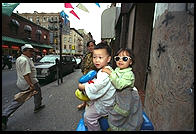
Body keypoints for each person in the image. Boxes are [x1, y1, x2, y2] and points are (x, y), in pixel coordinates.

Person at [2, 44, 45, 130]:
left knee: (35, 95)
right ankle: (4, 115)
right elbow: (26, 74)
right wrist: (30, 85)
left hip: (24, 82)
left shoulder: (21, 58)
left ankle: (37, 106)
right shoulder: (24, 60)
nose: (32, 52)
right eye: (30, 51)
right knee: (20, 100)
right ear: (24, 51)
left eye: (32, 51)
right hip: (29, 83)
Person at [102, 48, 143, 131]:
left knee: (120, 117)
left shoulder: (129, 74)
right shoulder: (117, 70)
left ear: (130, 62)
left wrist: (110, 73)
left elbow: (119, 84)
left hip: (125, 102)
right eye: (118, 58)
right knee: (115, 115)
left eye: (124, 59)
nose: (120, 60)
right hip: (118, 98)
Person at [78, 42, 116, 131]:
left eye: (100, 57)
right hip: (104, 100)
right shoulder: (103, 70)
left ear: (108, 59)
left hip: (105, 104)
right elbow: (98, 83)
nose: (97, 60)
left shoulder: (104, 73)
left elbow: (97, 86)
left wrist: (83, 87)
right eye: (94, 57)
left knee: (88, 116)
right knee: (89, 105)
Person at [77, 40, 97, 110]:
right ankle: (85, 104)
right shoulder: (87, 55)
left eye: (92, 45)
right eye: (89, 46)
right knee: (84, 91)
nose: (90, 47)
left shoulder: (97, 55)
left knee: (91, 90)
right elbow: (83, 64)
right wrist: (83, 70)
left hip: (94, 77)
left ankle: (92, 106)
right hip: (86, 75)